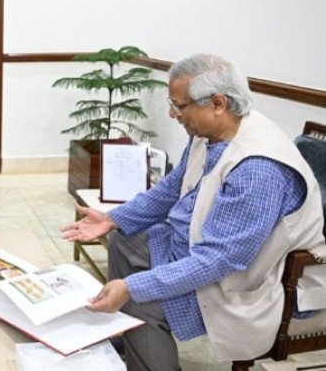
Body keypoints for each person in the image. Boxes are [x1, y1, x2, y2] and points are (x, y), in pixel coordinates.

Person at [62, 53, 324, 370]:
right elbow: (171, 189)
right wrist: (112, 219)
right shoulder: (212, 131)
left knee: (139, 300)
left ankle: (139, 332)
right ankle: (131, 335)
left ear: (217, 103)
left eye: (180, 105)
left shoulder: (258, 170)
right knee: (123, 239)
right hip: (197, 244)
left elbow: (219, 260)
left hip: (243, 277)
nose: (172, 114)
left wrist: (132, 288)